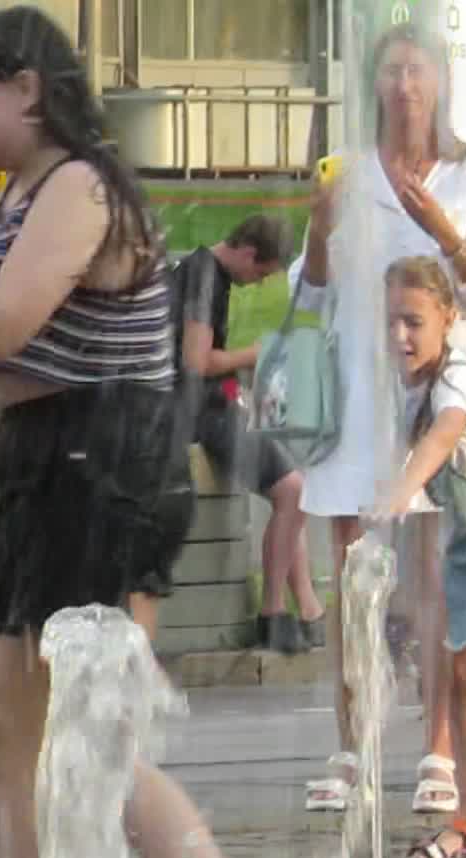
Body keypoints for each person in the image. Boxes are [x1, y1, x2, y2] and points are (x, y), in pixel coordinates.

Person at [0, 8, 291, 858]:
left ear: (27, 89)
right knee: (7, 731)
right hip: (47, 462)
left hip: (103, 462)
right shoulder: (20, 192)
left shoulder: (80, 188)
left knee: (90, 744)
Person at [297, 21, 466, 821]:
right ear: (374, 84)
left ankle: (439, 745)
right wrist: (317, 228)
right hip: (358, 395)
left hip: (435, 397)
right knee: (352, 579)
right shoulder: (353, 171)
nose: (405, 86)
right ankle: (353, 743)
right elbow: (312, 293)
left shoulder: (463, 175)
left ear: (441, 83)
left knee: (433, 578)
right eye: (393, 70)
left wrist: (444, 231)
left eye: (418, 70)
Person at [171, 215, 328, 656]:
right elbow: (197, 361)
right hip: (199, 411)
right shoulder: (204, 277)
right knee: (292, 490)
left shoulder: (204, 272)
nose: (256, 283)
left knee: (290, 492)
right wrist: (256, 354)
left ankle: (308, 609)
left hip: (208, 404)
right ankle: (273, 612)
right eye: (260, 273)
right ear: (247, 253)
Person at [373, 256, 466, 858]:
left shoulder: (459, 372)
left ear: (448, 318)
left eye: (413, 321)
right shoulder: (419, 379)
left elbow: (447, 431)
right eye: (391, 322)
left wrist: (402, 488)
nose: (399, 335)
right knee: (461, 676)